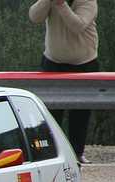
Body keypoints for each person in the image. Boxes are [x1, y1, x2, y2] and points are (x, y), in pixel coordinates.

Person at [29, 0, 99, 164]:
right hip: (53, 62)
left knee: (80, 113)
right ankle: (49, 153)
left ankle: (76, 153)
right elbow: (34, 17)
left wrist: (60, 4)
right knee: (50, 112)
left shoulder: (88, 1)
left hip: (85, 64)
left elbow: (78, 26)